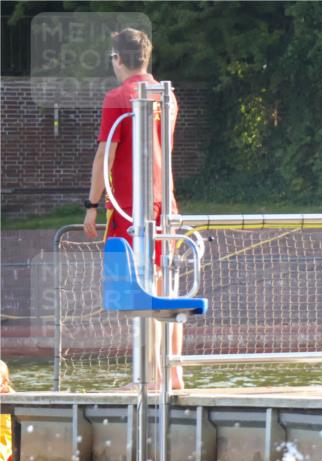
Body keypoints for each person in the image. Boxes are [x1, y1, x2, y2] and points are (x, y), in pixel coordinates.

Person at [82, 28, 184, 391]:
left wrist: (92, 204)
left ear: (118, 59)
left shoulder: (118, 97)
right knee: (166, 288)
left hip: (131, 208)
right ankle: (172, 372)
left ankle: (149, 377)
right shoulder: (166, 95)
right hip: (165, 204)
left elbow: (105, 156)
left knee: (141, 291)